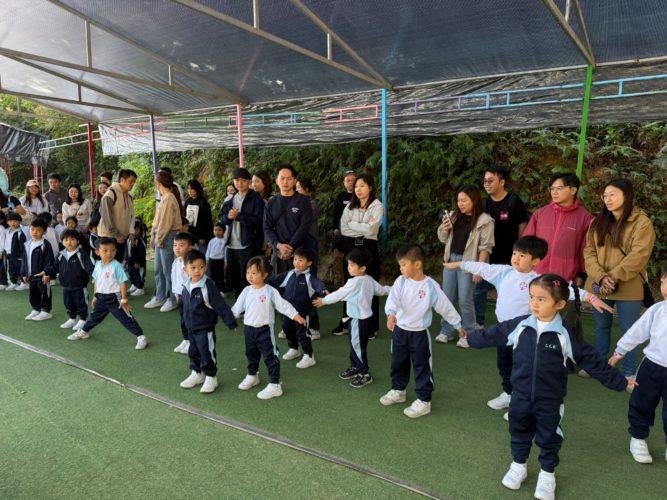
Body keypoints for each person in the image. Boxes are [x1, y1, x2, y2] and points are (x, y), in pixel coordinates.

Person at [465, 275, 632, 500]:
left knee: (549, 437)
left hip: (550, 401)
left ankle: (547, 474)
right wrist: (471, 339)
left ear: (560, 304)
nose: (534, 303)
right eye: (532, 297)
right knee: (519, 431)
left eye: (541, 299)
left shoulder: (565, 334)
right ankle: (518, 465)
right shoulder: (520, 325)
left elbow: (592, 361)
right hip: (520, 396)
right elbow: (494, 333)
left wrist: (622, 382)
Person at [447, 236, 612, 416]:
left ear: (536, 261)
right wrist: (459, 264)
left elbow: (566, 290)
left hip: (526, 333)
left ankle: (519, 402)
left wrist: (591, 298)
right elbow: (482, 267)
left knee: (523, 368)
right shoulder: (503, 272)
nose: (516, 258)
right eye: (515, 253)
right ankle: (508, 393)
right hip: (504, 330)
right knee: (504, 364)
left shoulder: (540, 281)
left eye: (522, 255)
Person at [584, 178, 656, 380]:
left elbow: (639, 256)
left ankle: (629, 372)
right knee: (601, 326)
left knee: (629, 330)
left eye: (613, 195)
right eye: (605, 195)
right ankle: (600, 366)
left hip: (628, 285)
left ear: (627, 196)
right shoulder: (597, 222)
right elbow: (589, 252)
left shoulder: (642, 223)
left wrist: (612, 277)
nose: (608, 199)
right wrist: (601, 277)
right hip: (599, 284)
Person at [381, 244, 464, 418]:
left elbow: (445, 306)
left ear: (417, 264)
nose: (401, 268)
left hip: (419, 335)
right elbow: (393, 299)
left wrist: (457, 324)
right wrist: (391, 314)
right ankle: (398, 390)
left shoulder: (430, 286)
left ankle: (424, 401)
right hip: (399, 331)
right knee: (398, 362)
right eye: (400, 265)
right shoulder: (400, 281)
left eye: (403, 265)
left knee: (422, 366)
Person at [609, 266, 667, 464]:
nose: (666, 288)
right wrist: (619, 352)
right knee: (642, 403)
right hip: (651, 367)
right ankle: (638, 438)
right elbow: (636, 332)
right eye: (664, 282)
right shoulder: (657, 310)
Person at [231, 256, 306, 400]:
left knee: (270, 357)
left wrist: (295, 315)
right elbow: (236, 308)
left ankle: (275, 385)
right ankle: (252, 375)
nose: (250, 276)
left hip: (264, 330)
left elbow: (283, 305)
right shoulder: (246, 290)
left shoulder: (270, 291)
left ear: (265, 274)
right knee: (251, 354)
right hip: (248, 330)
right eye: (248, 272)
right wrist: (228, 318)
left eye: (254, 273)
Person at [314, 247, 389, 388]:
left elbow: (340, 294)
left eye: (352, 265)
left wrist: (324, 300)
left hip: (357, 319)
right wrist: (393, 290)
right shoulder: (369, 279)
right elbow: (381, 290)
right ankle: (355, 367)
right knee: (356, 344)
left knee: (357, 345)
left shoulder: (353, 283)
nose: (348, 267)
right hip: (363, 319)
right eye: (348, 264)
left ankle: (364, 373)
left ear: (362, 268)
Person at [436, 184, 494, 346]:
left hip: (469, 263)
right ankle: (447, 330)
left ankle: (468, 334)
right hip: (451, 260)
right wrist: (445, 229)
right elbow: (442, 238)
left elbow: (486, 247)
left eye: (464, 200)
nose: (460, 204)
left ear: (474, 200)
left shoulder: (485, 220)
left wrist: (479, 269)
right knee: (447, 297)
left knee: (465, 299)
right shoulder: (453, 216)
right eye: (458, 200)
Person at [67, 237, 147, 350]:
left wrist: (124, 300)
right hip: (100, 298)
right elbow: (96, 282)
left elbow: (122, 283)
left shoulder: (117, 266)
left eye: (112, 250)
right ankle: (84, 331)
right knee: (94, 317)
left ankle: (140, 336)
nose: (109, 253)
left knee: (126, 318)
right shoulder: (97, 265)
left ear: (115, 251)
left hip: (114, 299)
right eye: (105, 250)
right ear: (97, 252)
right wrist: (95, 297)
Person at [474, 167, 529, 327]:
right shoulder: (483, 204)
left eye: (491, 180)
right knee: (479, 290)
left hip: (509, 257)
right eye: (485, 181)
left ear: (502, 182)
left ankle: (508, 325)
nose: (487, 184)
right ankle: (478, 323)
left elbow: (522, 225)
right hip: (486, 256)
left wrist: (520, 251)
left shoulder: (514, 201)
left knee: (508, 293)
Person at [179, 249, 238, 394]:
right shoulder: (186, 285)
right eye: (193, 267)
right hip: (191, 328)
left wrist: (230, 322)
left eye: (201, 267)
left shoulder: (208, 286)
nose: (197, 271)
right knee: (193, 352)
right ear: (185, 269)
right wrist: (185, 325)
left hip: (205, 328)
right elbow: (184, 307)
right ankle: (197, 373)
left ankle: (211, 376)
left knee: (207, 352)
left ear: (205, 267)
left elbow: (220, 305)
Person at [523, 173, 592, 286]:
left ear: (573, 190)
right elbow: (526, 243)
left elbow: (586, 249)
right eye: (552, 188)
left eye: (559, 188)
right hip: (536, 275)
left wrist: (582, 274)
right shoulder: (540, 214)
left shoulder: (585, 218)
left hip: (565, 278)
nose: (554, 192)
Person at [338, 173, 383, 338]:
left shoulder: (377, 206)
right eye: (356, 186)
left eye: (362, 186)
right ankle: (346, 322)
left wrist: (353, 224)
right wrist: (363, 226)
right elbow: (344, 229)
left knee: (369, 286)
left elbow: (372, 229)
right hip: (351, 247)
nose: (358, 189)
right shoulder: (349, 206)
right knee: (349, 284)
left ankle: (371, 326)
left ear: (370, 187)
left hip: (369, 248)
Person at [269, 246, 326, 369]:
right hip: (288, 312)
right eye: (295, 259)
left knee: (303, 333)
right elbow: (275, 280)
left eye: (301, 260)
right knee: (287, 329)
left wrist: (323, 290)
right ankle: (294, 349)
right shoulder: (290, 273)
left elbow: (319, 284)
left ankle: (309, 356)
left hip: (303, 313)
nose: (297, 263)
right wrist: (263, 280)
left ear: (309, 263)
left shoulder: (310, 277)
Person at [219, 168, 264, 297]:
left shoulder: (256, 199)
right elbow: (222, 218)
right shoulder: (230, 199)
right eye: (237, 180)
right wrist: (228, 217)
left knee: (248, 278)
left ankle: (250, 303)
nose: (240, 183)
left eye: (243, 180)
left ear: (249, 182)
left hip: (247, 245)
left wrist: (239, 216)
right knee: (233, 277)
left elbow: (259, 221)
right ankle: (239, 302)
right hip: (231, 245)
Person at [144, 170, 184, 312]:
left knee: (168, 270)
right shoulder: (165, 197)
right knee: (159, 269)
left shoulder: (169, 197)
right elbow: (158, 220)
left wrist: (158, 238)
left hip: (167, 236)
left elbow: (166, 223)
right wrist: (153, 236)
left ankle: (172, 299)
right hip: (161, 236)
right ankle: (160, 296)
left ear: (158, 183)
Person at [263, 164, 313, 275]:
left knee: (298, 283)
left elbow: (304, 226)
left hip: (299, 252)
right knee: (278, 282)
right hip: (278, 252)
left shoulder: (303, 201)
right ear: (276, 181)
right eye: (282, 178)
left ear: (294, 181)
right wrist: (278, 245)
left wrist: (291, 246)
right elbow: (267, 227)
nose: (285, 182)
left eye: (289, 179)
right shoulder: (271, 203)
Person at [51, 229, 94, 331]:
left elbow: (90, 268)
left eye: (72, 239)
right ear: (62, 241)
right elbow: (54, 267)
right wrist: (46, 272)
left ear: (78, 241)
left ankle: (83, 319)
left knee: (81, 303)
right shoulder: (61, 254)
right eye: (66, 240)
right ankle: (72, 318)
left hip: (79, 286)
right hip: (66, 285)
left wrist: (95, 277)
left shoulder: (82, 254)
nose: (69, 242)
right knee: (68, 303)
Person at [21, 218, 56, 321]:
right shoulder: (27, 244)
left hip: (42, 276)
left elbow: (49, 261)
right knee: (33, 293)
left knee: (45, 292)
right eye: (32, 229)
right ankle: (36, 309)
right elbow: (24, 260)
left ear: (44, 231)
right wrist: (24, 273)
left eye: (38, 230)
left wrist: (46, 273)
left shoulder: (45, 244)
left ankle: (46, 311)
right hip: (31, 275)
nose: (35, 232)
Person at [98, 169, 137, 262]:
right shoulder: (110, 193)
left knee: (117, 265)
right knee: (108, 266)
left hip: (122, 237)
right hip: (108, 237)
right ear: (122, 180)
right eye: (131, 181)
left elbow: (132, 216)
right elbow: (106, 216)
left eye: (134, 182)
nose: (133, 184)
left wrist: (131, 233)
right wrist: (116, 234)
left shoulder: (129, 197)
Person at [331, 169, 356, 290]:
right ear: (344, 182)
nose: (350, 182)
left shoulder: (360, 195)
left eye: (353, 180)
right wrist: (335, 228)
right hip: (342, 235)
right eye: (348, 180)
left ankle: (353, 286)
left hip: (357, 234)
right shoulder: (340, 197)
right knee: (340, 261)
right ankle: (340, 287)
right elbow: (335, 214)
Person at [172, 232, 196, 355]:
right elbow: (174, 278)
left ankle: (192, 341)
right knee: (183, 320)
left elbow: (194, 280)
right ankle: (186, 339)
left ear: (190, 247)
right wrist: (176, 293)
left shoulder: (192, 263)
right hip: (180, 296)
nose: (177, 248)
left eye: (181, 245)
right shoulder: (176, 261)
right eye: (175, 245)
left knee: (190, 320)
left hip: (190, 296)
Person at [296, 177, 320, 275]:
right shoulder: (297, 203)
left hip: (310, 237)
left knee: (311, 263)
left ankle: (312, 283)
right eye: (296, 187)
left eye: (299, 187)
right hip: (298, 237)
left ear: (306, 189)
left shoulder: (313, 203)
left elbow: (305, 220)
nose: (296, 190)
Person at [184, 179, 213, 254]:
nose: (190, 191)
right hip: (190, 233)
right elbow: (185, 216)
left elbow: (206, 220)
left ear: (197, 189)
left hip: (201, 235)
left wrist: (202, 237)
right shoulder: (188, 201)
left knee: (202, 254)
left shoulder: (203, 202)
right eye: (188, 189)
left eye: (192, 189)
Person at [3, 212, 27, 290]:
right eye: (10, 221)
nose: (13, 223)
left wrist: (22, 255)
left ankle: (24, 283)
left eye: (15, 221)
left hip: (18, 255)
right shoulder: (6, 231)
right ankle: (14, 283)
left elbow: (23, 245)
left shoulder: (20, 232)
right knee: (11, 269)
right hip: (9, 254)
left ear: (20, 222)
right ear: (7, 222)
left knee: (20, 269)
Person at [126, 220, 147, 297]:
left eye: (136, 229)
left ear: (139, 230)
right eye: (132, 229)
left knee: (139, 275)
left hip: (138, 263)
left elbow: (141, 253)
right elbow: (127, 251)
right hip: (130, 262)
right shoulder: (129, 239)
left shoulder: (140, 241)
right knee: (132, 274)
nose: (134, 231)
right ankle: (134, 285)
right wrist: (126, 261)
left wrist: (138, 262)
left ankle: (140, 288)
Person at [205, 222, 227, 293]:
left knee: (220, 276)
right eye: (215, 230)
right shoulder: (212, 241)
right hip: (212, 261)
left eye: (219, 230)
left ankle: (222, 291)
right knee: (213, 276)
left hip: (220, 261)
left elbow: (225, 252)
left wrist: (226, 262)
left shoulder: (225, 241)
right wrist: (206, 260)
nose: (217, 232)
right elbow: (208, 251)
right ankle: (217, 290)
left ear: (223, 231)